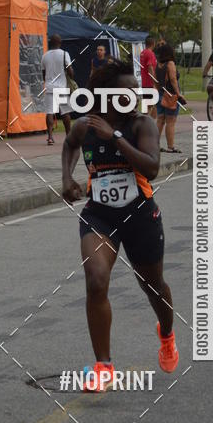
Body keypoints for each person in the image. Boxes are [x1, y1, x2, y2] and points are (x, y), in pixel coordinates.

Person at [61, 60, 179, 391]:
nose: (134, 95)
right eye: (127, 90)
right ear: (106, 95)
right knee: (96, 280)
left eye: (135, 90)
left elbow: (152, 168)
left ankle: (167, 334)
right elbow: (69, 144)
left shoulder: (142, 124)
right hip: (100, 215)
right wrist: (67, 178)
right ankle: (104, 366)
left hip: (140, 215)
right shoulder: (84, 125)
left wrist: (114, 138)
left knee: (153, 285)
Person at [42, 34, 74, 144]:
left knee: (50, 112)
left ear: (50, 43)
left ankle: (50, 137)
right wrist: (71, 75)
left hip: (49, 87)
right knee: (65, 113)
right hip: (61, 87)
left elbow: (43, 74)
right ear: (60, 43)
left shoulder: (45, 56)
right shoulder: (64, 54)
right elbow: (70, 71)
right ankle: (68, 136)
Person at [155, 43, 187, 153]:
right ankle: (170, 146)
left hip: (160, 94)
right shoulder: (170, 63)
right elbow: (173, 80)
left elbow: (156, 81)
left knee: (160, 120)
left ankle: (155, 145)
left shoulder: (158, 65)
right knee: (170, 121)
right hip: (171, 96)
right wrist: (178, 94)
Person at [139, 36, 158, 119]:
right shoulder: (150, 53)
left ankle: (144, 122)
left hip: (144, 83)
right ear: (153, 43)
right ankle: (152, 123)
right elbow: (150, 67)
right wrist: (154, 83)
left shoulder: (142, 53)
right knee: (156, 104)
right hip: (150, 83)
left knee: (146, 106)